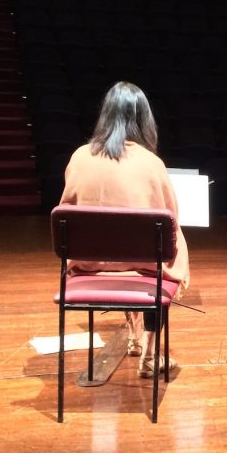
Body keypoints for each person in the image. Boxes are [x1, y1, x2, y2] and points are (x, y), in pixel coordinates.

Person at [59, 82, 190, 377]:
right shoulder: (152, 164)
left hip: (89, 263)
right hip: (142, 265)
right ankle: (150, 353)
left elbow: (66, 212)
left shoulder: (79, 157)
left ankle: (134, 335)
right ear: (144, 119)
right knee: (164, 248)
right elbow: (170, 221)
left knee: (116, 242)